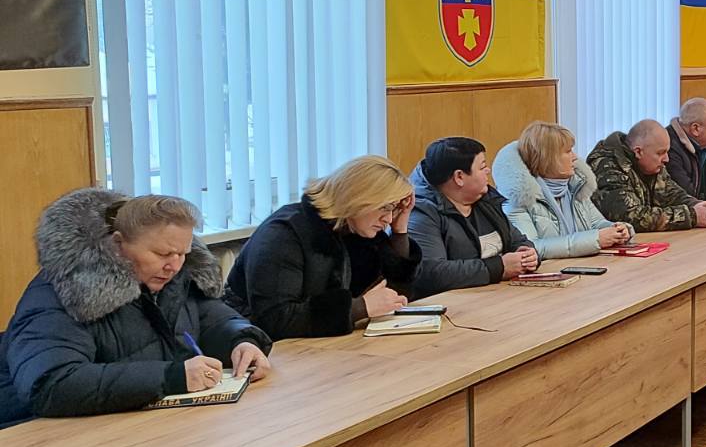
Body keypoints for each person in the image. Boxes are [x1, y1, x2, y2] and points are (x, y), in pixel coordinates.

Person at [0, 189, 271, 427]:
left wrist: (241, 341)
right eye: (162, 254)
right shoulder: (62, 291)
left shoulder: (172, 277)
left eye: (183, 254)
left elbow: (212, 318)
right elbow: (51, 383)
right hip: (41, 434)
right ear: (118, 244)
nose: (174, 266)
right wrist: (171, 377)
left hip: (140, 423)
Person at [226, 154, 420, 339]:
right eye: (385, 207)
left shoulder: (356, 227)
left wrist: (400, 230)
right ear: (357, 198)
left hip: (322, 344)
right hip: (257, 345)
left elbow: (393, 294)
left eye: (394, 209)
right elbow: (275, 319)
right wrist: (360, 308)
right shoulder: (283, 233)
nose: (388, 218)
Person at [406, 136, 540, 299]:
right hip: (453, 305)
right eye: (482, 167)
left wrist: (527, 255)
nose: (488, 171)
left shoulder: (486, 199)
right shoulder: (421, 213)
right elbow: (433, 272)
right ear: (459, 177)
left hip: (498, 296)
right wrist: (499, 267)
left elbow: (517, 240)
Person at [493, 121, 635, 258]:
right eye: (568, 151)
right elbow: (531, 247)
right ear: (547, 158)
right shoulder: (517, 199)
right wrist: (595, 240)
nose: (574, 157)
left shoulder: (576, 186)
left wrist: (616, 229)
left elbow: (595, 224)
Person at [589, 119, 706, 232]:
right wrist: (691, 216)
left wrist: (699, 206)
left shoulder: (651, 165)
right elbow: (629, 217)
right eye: (660, 153)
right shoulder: (607, 166)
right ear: (638, 152)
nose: (666, 159)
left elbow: (671, 194)